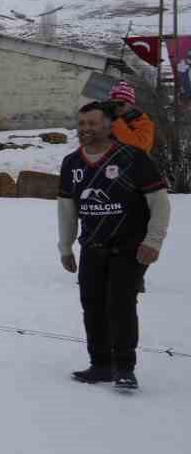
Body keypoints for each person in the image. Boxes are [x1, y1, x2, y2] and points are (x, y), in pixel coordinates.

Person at [58, 102, 170, 391]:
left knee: (120, 305)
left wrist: (153, 241)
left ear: (109, 125)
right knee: (92, 305)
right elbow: (67, 208)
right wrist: (66, 247)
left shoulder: (133, 157)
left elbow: (159, 202)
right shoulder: (72, 163)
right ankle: (100, 365)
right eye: (82, 124)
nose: (86, 129)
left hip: (130, 247)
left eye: (92, 123)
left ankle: (124, 367)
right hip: (92, 246)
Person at [104, 82, 155, 154]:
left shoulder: (144, 123)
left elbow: (141, 146)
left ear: (131, 105)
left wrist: (116, 120)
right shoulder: (105, 118)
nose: (116, 107)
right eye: (113, 104)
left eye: (120, 104)